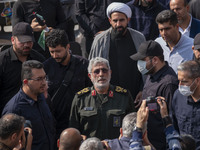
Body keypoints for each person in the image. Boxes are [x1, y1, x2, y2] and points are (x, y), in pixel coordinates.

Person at [89, 2, 145, 101]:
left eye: (122, 20)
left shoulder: (139, 38)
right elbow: (92, 69)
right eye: (115, 20)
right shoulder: (100, 40)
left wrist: (142, 90)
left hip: (135, 95)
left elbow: (146, 67)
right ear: (110, 21)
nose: (118, 24)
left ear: (128, 20)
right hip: (108, 97)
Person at [69, 57, 135, 140]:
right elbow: (73, 129)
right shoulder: (80, 98)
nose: (101, 74)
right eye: (96, 71)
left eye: (104, 70)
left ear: (110, 73)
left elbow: (133, 126)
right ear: (90, 76)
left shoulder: (124, 96)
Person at [130, 40, 178, 149]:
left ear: (155, 60)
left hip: (160, 143)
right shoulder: (151, 75)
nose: (139, 64)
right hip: (148, 140)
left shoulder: (168, 83)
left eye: (143, 60)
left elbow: (171, 120)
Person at [44, 29, 90, 139]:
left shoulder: (84, 65)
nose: (55, 55)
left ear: (68, 47)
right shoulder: (46, 67)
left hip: (80, 122)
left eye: (58, 51)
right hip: (55, 124)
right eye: (52, 52)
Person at [2, 60, 55, 150]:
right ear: (26, 82)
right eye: (39, 79)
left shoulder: (43, 98)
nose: (44, 82)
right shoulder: (14, 109)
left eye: (44, 78)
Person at [0, 22, 45, 115]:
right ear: (12, 40)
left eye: (29, 41)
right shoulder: (2, 61)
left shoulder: (39, 59)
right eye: (22, 41)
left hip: (34, 113)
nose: (26, 45)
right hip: (9, 115)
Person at [171, 60, 200, 149]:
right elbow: (173, 126)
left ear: (197, 80)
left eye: (184, 81)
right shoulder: (178, 96)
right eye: (179, 81)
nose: (180, 85)